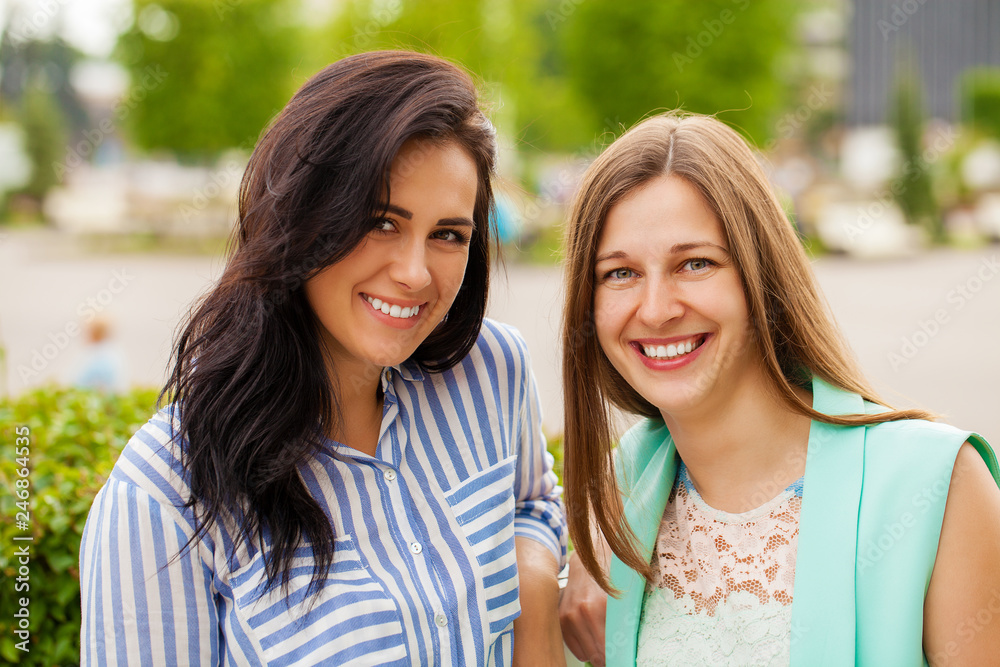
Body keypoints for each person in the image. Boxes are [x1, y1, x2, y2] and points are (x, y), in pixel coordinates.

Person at [80, 51, 567, 666]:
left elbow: (533, 504)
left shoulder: (493, 371)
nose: (415, 273)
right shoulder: (164, 496)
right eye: (381, 222)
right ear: (301, 217)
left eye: (448, 234)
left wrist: (534, 580)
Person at [557, 112, 1000, 666]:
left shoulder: (937, 485)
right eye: (619, 273)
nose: (656, 309)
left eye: (695, 263)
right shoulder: (618, 498)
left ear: (762, 277)